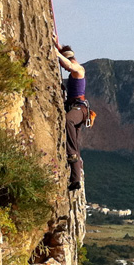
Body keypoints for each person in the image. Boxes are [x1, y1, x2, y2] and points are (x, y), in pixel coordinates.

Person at [55, 39, 87, 190]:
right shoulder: (73, 63)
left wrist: (54, 52)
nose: (64, 69)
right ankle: (75, 180)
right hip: (76, 109)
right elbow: (67, 56)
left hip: (80, 110)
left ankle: (72, 153)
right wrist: (57, 43)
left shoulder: (79, 69)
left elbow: (69, 64)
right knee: (75, 144)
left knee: (68, 121)